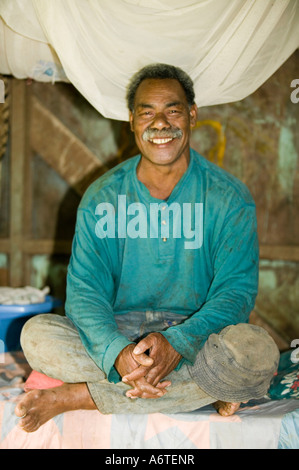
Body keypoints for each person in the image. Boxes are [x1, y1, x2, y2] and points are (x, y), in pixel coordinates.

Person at [15, 63, 279, 433]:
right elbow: (85, 292)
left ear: (192, 115)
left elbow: (235, 294)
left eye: (172, 110)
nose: (160, 123)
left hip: (198, 338)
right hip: (120, 332)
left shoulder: (228, 198)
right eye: (147, 112)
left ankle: (80, 396)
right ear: (132, 121)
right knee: (37, 334)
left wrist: (178, 342)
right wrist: (116, 352)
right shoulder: (102, 197)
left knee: (257, 351)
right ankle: (206, 388)